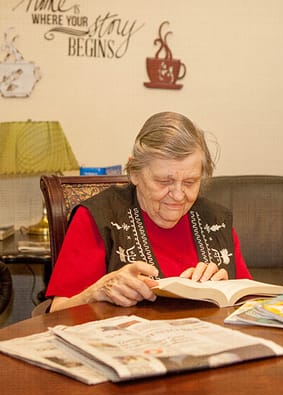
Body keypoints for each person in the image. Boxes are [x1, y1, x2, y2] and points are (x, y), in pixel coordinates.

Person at [45, 111, 252, 312]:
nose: (179, 195)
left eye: (190, 182)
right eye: (164, 181)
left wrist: (227, 291)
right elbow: (56, 313)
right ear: (134, 172)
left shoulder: (215, 219)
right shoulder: (99, 217)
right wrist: (97, 292)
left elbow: (251, 303)